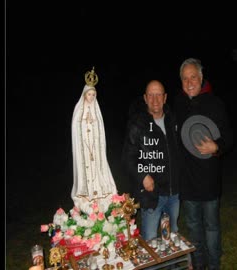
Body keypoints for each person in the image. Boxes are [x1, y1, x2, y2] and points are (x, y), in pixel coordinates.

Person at [174, 58, 233, 270]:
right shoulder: (177, 104)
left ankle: (214, 264)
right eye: (185, 78)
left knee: (212, 228)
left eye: (193, 77)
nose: (189, 82)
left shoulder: (215, 104)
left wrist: (216, 147)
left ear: (201, 78)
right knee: (193, 227)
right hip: (188, 182)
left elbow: (228, 139)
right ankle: (198, 265)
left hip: (209, 180)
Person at [122, 80, 181, 241]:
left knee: (172, 239)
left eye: (159, 94)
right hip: (152, 196)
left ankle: (173, 267)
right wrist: (143, 176)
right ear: (145, 98)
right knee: (150, 241)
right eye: (151, 95)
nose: (155, 99)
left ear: (165, 97)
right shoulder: (137, 123)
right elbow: (128, 158)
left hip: (174, 193)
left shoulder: (173, 120)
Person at [71, 67, 118, 215]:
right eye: (89, 94)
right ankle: (87, 199)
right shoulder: (79, 111)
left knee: (97, 172)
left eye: (93, 94)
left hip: (95, 152)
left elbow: (100, 132)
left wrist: (93, 122)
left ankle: (99, 200)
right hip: (84, 151)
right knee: (86, 172)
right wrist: (85, 121)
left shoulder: (97, 112)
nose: (91, 97)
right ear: (84, 95)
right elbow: (76, 127)